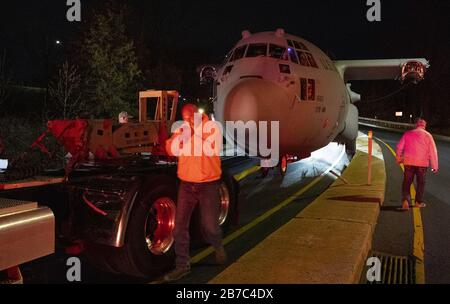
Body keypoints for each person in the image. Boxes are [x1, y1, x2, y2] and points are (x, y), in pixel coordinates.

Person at [163, 103, 226, 282]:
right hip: (187, 185)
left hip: (208, 184)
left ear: (199, 115)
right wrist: (180, 139)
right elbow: (170, 149)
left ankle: (217, 245)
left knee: (210, 226)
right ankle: (182, 266)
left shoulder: (212, 127)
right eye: (185, 119)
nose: (188, 121)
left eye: (190, 118)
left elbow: (212, 148)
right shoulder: (183, 129)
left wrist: (193, 136)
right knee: (179, 227)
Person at [396, 118, 438, 210]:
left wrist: (399, 158)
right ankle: (418, 202)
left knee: (407, 182)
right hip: (422, 165)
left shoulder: (408, 134)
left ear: (416, 125)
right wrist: (434, 166)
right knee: (421, 183)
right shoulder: (428, 136)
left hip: (409, 162)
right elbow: (433, 152)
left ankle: (405, 201)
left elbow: (399, 147)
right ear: (424, 126)